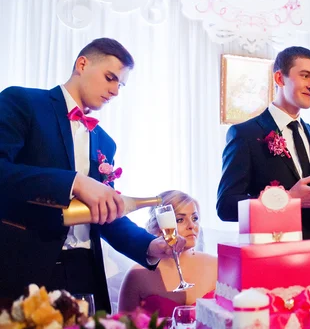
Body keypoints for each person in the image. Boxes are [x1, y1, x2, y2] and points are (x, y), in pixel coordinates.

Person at [0, 38, 182, 312]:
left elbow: (105, 215)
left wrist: (150, 246)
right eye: (110, 78)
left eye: (120, 85)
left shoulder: (105, 143)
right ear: (82, 64)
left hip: (84, 272)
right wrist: (75, 182)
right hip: (22, 267)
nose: (115, 91)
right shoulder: (23, 102)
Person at [217, 46, 310, 240]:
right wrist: (288, 200)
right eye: (305, 76)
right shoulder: (245, 134)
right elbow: (226, 206)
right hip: (272, 254)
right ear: (279, 79)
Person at [119, 190, 217, 317]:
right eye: (180, 219)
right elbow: (121, 324)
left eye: (195, 218)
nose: (192, 225)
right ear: (159, 226)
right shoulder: (137, 275)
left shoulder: (217, 265)